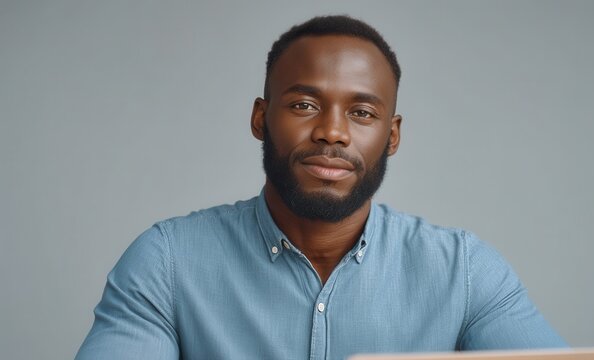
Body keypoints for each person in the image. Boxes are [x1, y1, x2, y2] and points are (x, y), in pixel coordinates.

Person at [75, 15, 566, 360]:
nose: (333, 132)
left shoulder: (464, 271)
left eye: (362, 113)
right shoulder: (167, 262)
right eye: (305, 105)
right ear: (260, 118)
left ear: (391, 136)